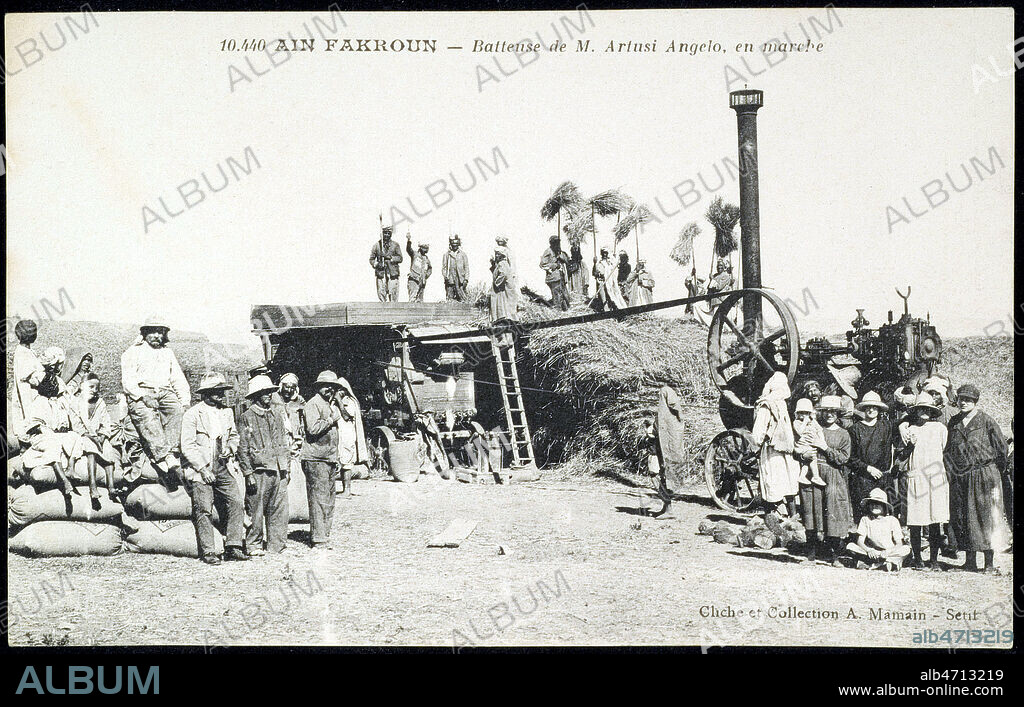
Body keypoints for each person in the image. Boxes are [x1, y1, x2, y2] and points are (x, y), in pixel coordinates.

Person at [180, 373, 248, 565]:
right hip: (201, 470)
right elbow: (187, 446)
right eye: (216, 392)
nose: (221, 396)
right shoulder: (192, 414)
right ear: (206, 394)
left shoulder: (226, 413)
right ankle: (208, 551)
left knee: (236, 501)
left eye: (222, 392)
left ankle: (234, 545)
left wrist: (230, 448)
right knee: (203, 508)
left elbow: (234, 436)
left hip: (222, 467)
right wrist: (202, 469)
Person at [944, 383, 1010, 574]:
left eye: (968, 400)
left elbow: (1002, 449)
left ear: (975, 402)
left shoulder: (987, 421)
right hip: (960, 476)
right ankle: (969, 561)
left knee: (985, 516)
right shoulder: (954, 422)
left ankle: (988, 563)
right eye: (961, 399)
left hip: (984, 475)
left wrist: (993, 472)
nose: (963, 403)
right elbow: (949, 449)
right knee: (963, 515)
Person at [121, 316, 190, 491]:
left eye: (161, 332)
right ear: (144, 333)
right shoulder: (132, 352)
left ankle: (173, 452)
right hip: (141, 392)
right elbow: (128, 381)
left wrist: (185, 401)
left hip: (164, 392)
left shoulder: (167, 353)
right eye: (153, 332)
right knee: (148, 419)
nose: (157, 336)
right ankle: (164, 457)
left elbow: (177, 378)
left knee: (177, 412)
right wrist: (143, 396)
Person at [239, 375, 291, 556]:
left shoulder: (277, 414)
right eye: (264, 392)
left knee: (279, 509)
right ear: (256, 395)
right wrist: (248, 473)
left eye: (270, 391)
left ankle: (277, 545)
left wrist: (287, 467)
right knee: (256, 509)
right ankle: (253, 545)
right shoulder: (247, 417)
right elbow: (243, 447)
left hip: (278, 468)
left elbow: (284, 442)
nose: (269, 395)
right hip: (259, 469)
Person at [20, 351, 83, 499]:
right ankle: (64, 480)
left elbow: (65, 418)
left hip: (56, 434)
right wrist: (46, 430)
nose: (55, 387)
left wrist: (64, 428)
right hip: (40, 436)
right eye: (51, 385)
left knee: (75, 437)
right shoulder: (39, 401)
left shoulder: (58, 402)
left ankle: (71, 468)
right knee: (52, 443)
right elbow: (33, 424)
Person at [898, 391, 949, 571]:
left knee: (935, 520)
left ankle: (934, 560)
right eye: (920, 409)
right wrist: (910, 444)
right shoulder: (909, 429)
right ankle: (918, 558)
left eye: (928, 409)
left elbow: (943, 449)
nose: (924, 412)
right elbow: (902, 456)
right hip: (916, 477)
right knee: (915, 521)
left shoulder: (940, 429)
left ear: (933, 411)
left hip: (935, 477)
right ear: (915, 411)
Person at [799, 395, 852, 565]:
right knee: (812, 511)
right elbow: (800, 445)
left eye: (833, 412)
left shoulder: (844, 434)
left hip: (833, 475)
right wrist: (802, 454)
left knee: (833, 512)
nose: (829, 414)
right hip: (813, 473)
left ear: (838, 414)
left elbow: (843, 458)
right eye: (826, 411)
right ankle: (811, 554)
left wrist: (825, 447)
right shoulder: (815, 428)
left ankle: (834, 555)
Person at [302, 370, 344, 548]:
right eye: (326, 386)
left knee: (329, 498)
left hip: (328, 457)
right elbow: (312, 429)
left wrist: (337, 457)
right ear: (318, 387)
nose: (329, 389)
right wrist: (331, 419)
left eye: (332, 387)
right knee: (319, 499)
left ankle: (324, 534)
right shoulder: (313, 404)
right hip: (315, 457)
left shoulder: (329, 405)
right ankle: (318, 538)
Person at [750, 372, 800, 519]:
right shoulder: (782, 403)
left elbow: (758, 431)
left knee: (771, 480)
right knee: (788, 481)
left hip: (772, 450)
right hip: (786, 449)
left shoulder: (766, 405)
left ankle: (771, 516)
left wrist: (756, 445)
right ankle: (792, 515)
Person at [73, 373, 121, 506]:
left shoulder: (100, 402)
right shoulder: (76, 401)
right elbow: (76, 423)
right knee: (91, 451)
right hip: (84, 436)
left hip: (98, 435)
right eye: (91, 387)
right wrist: (90, 436)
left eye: (97, 387)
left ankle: (111, 487)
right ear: (82, 387)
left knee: (108, 451)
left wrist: (103, 435)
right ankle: (92, 486)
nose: (94, 390)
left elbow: (106, 421)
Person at [847, 391, 894, 521]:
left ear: (879, 409)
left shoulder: (886, 426)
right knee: (864, 516)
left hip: (883, 479)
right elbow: (850, 458)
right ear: (863, 408)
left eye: (874, 407)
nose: (871, 409)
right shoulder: (855, 429)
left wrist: (903, 425)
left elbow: (906, 418)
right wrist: (868, 468)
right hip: (863, 479)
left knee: (883, 515)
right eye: (868, 407)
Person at [845, 488, 911, 571]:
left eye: (878, 504)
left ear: (884, 506)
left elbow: (899, 543)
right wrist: (869, 550)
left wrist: (888, 551)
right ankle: (885, 564)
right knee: (851, 546)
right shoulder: (865, 519)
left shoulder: (892, 520)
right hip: (873, 552)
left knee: (905, 549)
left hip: (889, 552)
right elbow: (860, 541)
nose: (874, 506)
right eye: (872, 503)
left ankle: (874, 564)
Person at [650, 386, 687, 519]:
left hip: (667, 448)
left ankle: (668, 508)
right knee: (660, 473)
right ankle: (666, 507)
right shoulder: (671, 418)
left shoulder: (672, 419)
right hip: (661, 443)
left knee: (659, 474)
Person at [335, 376, 368, 497]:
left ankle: (347, 490)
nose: (338, 392)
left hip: (347, 435)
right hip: (338, 435)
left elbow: (346, 416)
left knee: (346, 463)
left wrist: (339, 402)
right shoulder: (334, 402)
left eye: (340, 389)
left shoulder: (350, 402)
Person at [12, 319, 46, 424]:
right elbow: (32, 379)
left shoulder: (26, 351)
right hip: (28, 394)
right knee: (29, 421)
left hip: (27, 392)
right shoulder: (24, 354)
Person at [792, 397, 826, 487]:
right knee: (812, 459)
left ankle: (803, 476)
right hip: (802, 445)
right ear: (797, 414)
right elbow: (800, 432)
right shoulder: (797, 422)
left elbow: (819, 430)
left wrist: (821, 440)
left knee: (809, 461)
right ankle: (815, 476)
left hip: (811, 444)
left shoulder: (813, 422)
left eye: (806, 413)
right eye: (801, 413)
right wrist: (804, 423)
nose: (804, 415)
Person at [369, 225, 403, 302]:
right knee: (381, 293)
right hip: (381, 273)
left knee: (393, 294)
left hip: (392, 274)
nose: (387, 235)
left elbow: (400, 258)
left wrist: (390, 258)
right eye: (385, 233)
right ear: (382, 233)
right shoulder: (377, 245)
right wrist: (377, 264)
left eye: (388, 233)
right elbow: (371, 259)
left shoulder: (395, 245)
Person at [540, 235, 570, 311]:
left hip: (560, 276)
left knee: (564, 295)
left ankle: (565, 309)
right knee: (557, 295)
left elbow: (567, 261)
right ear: (551, 243)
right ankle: (558, 310)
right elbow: (542, 264)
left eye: (558, 242)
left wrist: (561, 256)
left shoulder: (559, 252)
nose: (557, 244)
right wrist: (554, 265)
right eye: (555, 243)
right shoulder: (548, 251)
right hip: (553, 277)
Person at [490, 249, 517, 323]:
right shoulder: (502, 263)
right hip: (505, 287)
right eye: (496, 254)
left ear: (502, 255)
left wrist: (497, 283)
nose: (496, 256)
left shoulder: (502, 263)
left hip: (504, 288)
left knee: (504, 303)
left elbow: (503, 274)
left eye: (498, 254)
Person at [442, 235, 470, 301]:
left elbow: (466, 268)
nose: (455, 246)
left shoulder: (463, 254)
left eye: (456, 244)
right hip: (450, 279)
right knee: (450, 298)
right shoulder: (447, 255)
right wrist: (445, 276)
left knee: (462, 298)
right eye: (453, 244)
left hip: (460, 280)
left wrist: (466, 279)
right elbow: (444, 267)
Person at [406, 233, 432, 302]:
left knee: (420, 301)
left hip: (422, 282)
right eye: (424, 247)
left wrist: (426, 275)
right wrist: (409, 241)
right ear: (420, 247)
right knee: (412, 299)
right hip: (413, 280)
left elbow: (430, 268)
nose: (426, 249)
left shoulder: (426, 259)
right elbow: (409, 249)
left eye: (427, 248)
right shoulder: (415, 254)